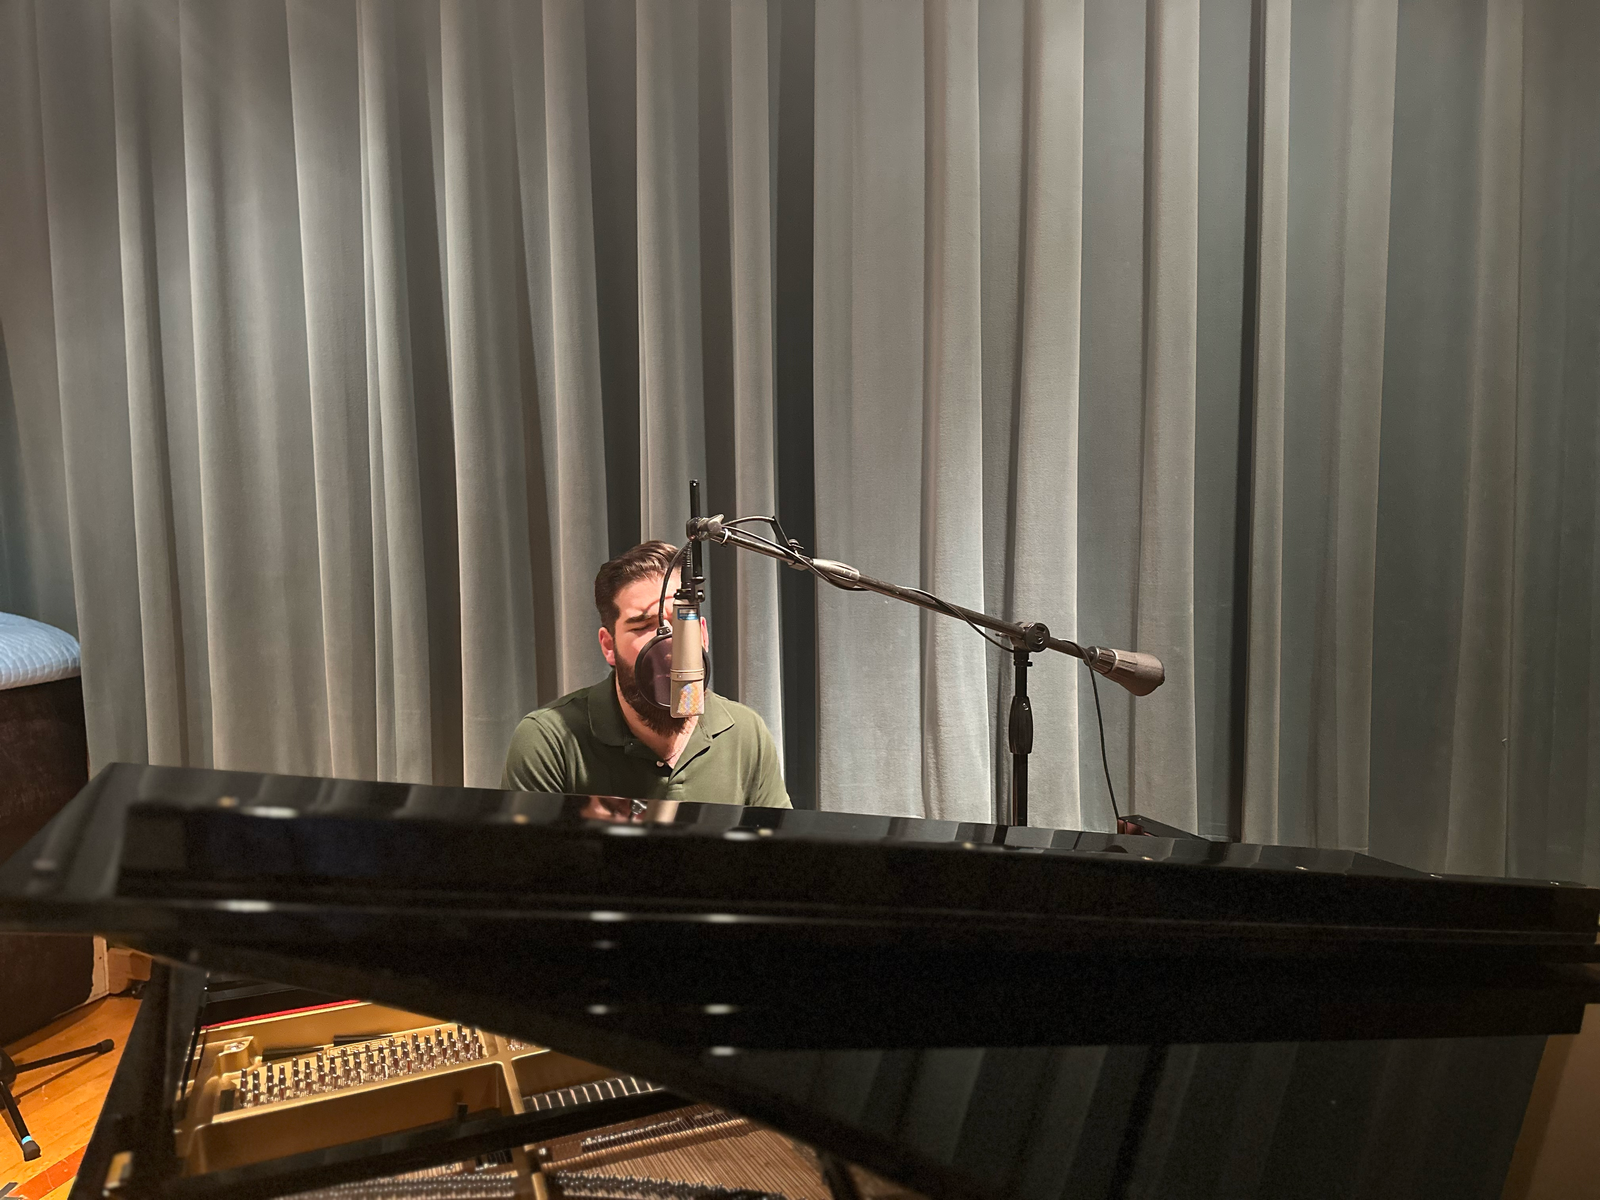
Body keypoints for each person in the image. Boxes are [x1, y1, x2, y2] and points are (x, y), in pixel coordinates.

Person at [501, 541, 791, 807]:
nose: (668, 644)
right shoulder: (548, 741)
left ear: (703, 635)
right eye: (642, 627)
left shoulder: (745, 733)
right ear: (608, 645)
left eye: (682, 620)